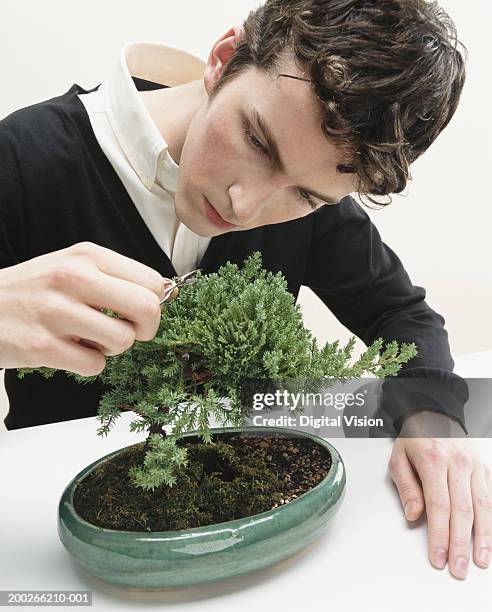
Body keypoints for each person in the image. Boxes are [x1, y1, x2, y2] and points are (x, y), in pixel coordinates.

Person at [0, 0, 490, 580]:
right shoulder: (21, 160)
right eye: (257, 141)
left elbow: (401, 312)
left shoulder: (311, 205)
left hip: (268, 557)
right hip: (61, 563)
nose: (246, 205)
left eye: (306, 196)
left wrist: (432, 410)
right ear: (224, 59)